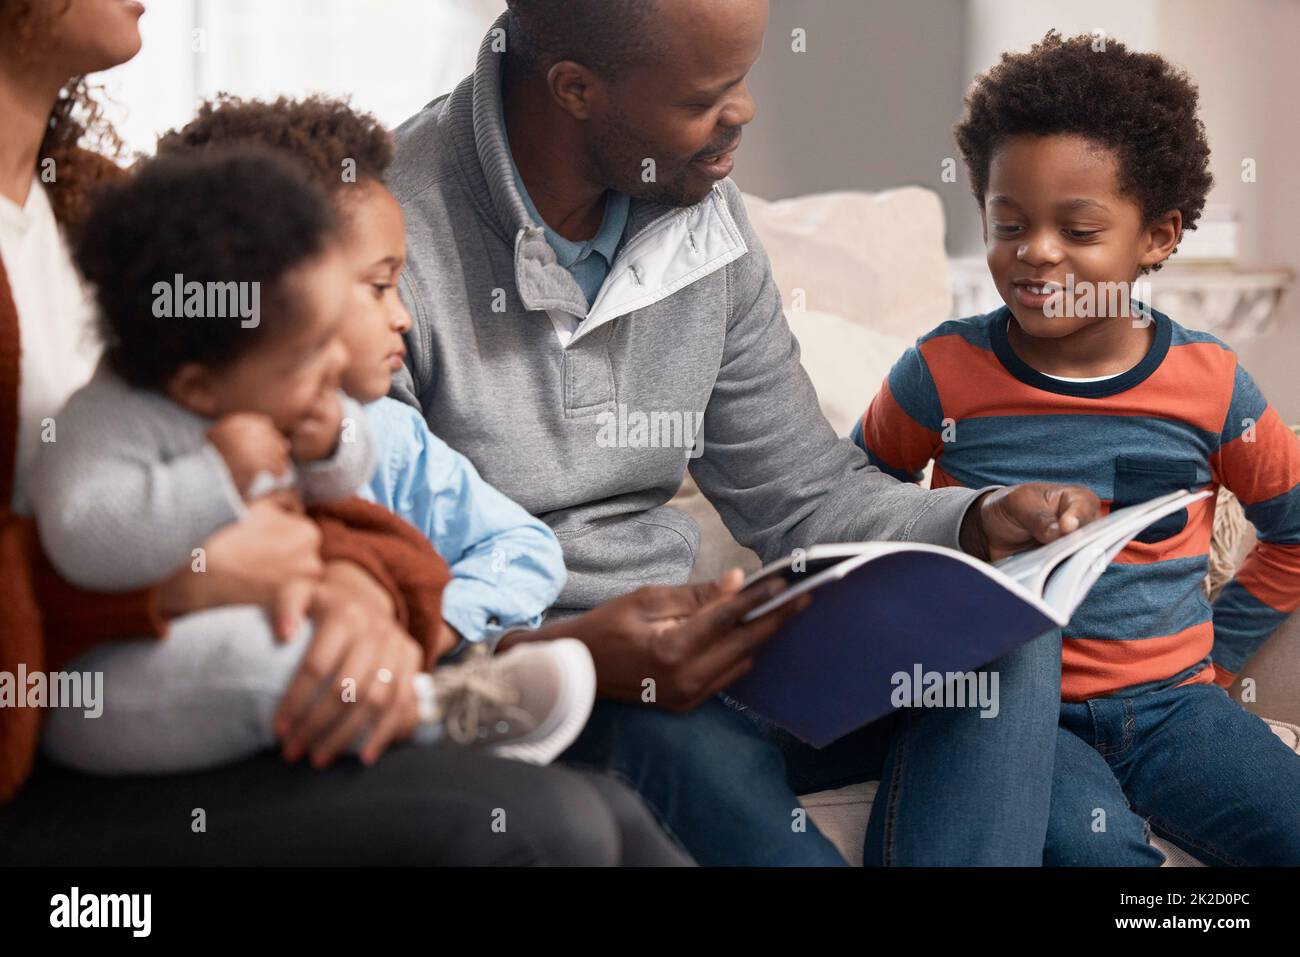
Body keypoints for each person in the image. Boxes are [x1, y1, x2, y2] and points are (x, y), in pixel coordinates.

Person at [388, 0, 1100, 864]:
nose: (745, 112)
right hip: (556, 685)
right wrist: (556, 656)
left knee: (1003, 632)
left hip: (707, 657)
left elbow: (805, 494)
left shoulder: (700, 213)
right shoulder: (382, 242)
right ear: (575, 89)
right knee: (694, 748)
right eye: (706, 95)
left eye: (745, 77)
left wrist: (976, 523)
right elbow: (373, 582)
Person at [0, 0, 688, 867]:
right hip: (70, 744)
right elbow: (119, 507)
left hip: (219, 681)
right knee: (555, 829)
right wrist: (171, 585)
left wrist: (361, 593)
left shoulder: (98, 213)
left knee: (614, 818)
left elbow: (302, 474)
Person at [858, 31, 1300, 865]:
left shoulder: (1212, 385)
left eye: (1079, 228)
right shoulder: (942, 371)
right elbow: (852, 502)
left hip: (1175, 709)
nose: (1036, 251)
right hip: (1010, 720)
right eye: (1009, 222)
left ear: (1158, 236)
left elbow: (1293, 528)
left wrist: (1221, 645)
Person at [32, 146, 597, 774]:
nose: (334, 364)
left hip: (247, 644)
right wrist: (214, 477)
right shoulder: (107, 420)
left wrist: (331, 444)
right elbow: (83, 534)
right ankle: (432, 713)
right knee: (266, 654)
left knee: (293, 644)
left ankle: (418, 705)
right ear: (196, 388)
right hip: (117, 690)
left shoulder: (256, 390)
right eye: (310, 352)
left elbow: (338, 487)